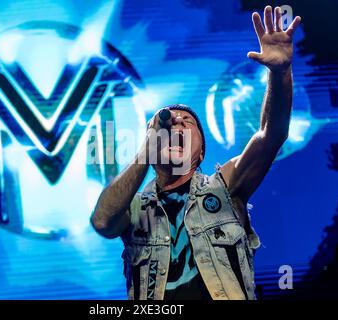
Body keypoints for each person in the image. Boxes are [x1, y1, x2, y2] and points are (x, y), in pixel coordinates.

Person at [90, 5, 301, 300]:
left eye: (187, 122)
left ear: (200, 153)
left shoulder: (225, 185)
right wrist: (144, 153)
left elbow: (272, 133)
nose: (176, 123)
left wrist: (281, 73)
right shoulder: (135, 207)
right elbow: (102, 222)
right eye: (167, 123)